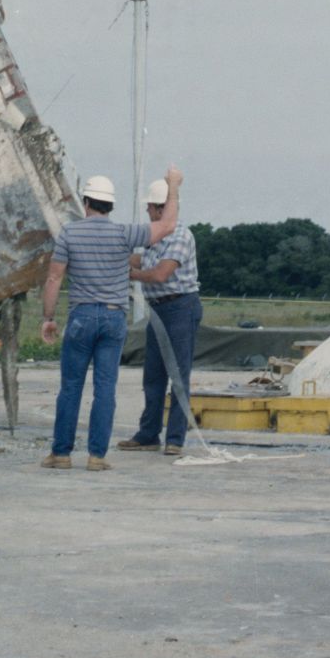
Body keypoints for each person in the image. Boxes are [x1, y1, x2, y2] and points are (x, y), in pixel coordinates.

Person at [38, 167, 182, 470]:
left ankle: (61, 454)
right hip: (114, 318)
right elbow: (168, 225)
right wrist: (173, 185)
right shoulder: (124, 234)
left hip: (80, 316)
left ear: (86, 201)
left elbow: (54, 278)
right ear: (111, 205)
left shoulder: (69, 233)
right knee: (105, 388)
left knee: (71, 387)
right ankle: (96, 456)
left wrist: (48, 317)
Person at [120, 179, 202, 456]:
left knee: (178, 375)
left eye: (150, 208)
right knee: (153, 376)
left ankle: (175, 438)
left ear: (160, 209)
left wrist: (130, 275)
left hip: (180, 308)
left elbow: (160, 274)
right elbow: (141, 260)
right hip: (159, 309)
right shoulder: (155, 238)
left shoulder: (180, 236)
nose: (147, 213)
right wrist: (113, 250)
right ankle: (148, 434)